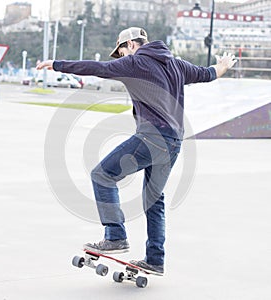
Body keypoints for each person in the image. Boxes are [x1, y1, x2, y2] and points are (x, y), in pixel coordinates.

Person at [37, 27, 236, 275]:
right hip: (174, 141)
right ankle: (155, 259)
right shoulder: (177, 65)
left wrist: (56, 64)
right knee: (154, 200)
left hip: (152, 138)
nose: (120, 58)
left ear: (130, 44)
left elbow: (97, 68)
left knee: (102, 175)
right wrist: (224, 65)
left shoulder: (135, 62)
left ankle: (115, 236)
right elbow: (207, 74)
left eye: (120, 51)